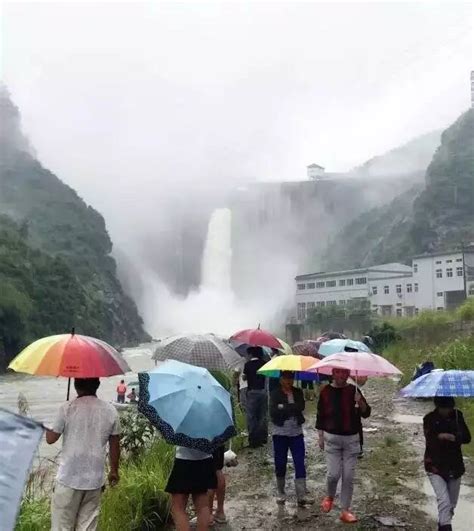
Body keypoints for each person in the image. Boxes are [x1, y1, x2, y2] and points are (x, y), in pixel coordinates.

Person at [46, 378, 120, 531]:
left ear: (75, 385)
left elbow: (50, 439)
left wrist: (47, 425)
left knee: (61, 527)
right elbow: (115, 444)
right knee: (87, 527)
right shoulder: (111, 410)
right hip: (94, 480)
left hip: (68, 478)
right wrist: (114, 471)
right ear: (97, 385)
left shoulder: (67, 408)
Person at [316, 368, 371, 524]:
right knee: (333, 474)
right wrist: (320, 436)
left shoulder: (353, 390)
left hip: (351, 440)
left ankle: (345, 510)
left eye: (345, 373)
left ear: (348, 375)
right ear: (333, 374)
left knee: (348, 476)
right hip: (331, 439)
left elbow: (366, 413)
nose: (341, 376)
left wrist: (359, 401)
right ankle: (330, 496)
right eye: (338, 372)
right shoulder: (325, 391)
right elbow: (320, 416)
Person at [423, 397, 471, 531]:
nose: (446, 411)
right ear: (437, 406)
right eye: (443, 408)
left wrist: (454, 437)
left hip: (454, 466)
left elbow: (467, 437)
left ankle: (442, 524)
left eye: (448, 408)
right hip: (435, 466)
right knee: (443, 501)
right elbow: (430, 441)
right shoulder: (429, 418)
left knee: (451, 504)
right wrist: (440, 437)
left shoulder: (457, 416)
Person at [270, 371, 310, 506]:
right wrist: (291, 408)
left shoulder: (298, 392)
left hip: (296, 432)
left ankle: (301, 495)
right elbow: (273, 412)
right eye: (286, 378)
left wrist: (284, 407)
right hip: (280, 433)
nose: (288, 381)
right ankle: (281, 492)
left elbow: (301, 406)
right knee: (280, 462)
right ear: (280, 379)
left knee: (299, 461)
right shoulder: (275, 393)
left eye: (291, 378)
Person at [165, 446, 216, 531]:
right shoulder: (211, 431)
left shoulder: (184, 432)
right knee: (203, 505)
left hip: (183, 460)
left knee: (178, 507)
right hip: (206, 460)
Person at [243, 346, 268, 448]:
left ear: (251, 354)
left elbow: (244, 378)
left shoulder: (247, 365)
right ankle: (263, 438)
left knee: (252, 417)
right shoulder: (264, 363)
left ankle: (253, 441)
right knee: (262, 415)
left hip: (252, 392)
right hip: (263, 391)